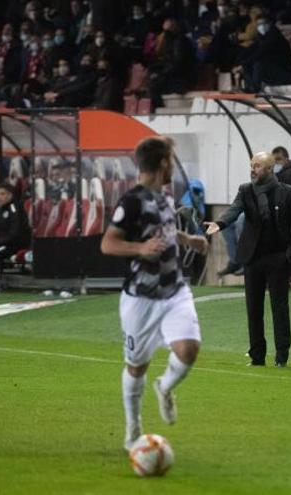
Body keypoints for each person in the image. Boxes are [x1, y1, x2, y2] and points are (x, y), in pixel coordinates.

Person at [99, 136, 209, 451]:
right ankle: (133, 429)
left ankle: (165, 386)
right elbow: (108, 244)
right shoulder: (131, 201)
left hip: (174, 290)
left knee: (188, 350)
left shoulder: (164, 196)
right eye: (171, 160)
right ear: (162, 163)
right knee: (137, 366)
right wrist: (139, 248)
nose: (173, 166)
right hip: (141, 298)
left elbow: (165, 230)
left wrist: (188, 239)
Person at [205, 151, 291, 367]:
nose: (252, 169)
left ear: (270, 170)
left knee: (279, 308)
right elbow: (234, 210)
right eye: (251, 165)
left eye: (257, 166)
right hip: (252, 257)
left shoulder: (287, 194)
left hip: (278, 257)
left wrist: (288, 256)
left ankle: (281, 355)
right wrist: (220, 223)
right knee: (253, 308)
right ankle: (257, 356)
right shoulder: (246, 190)